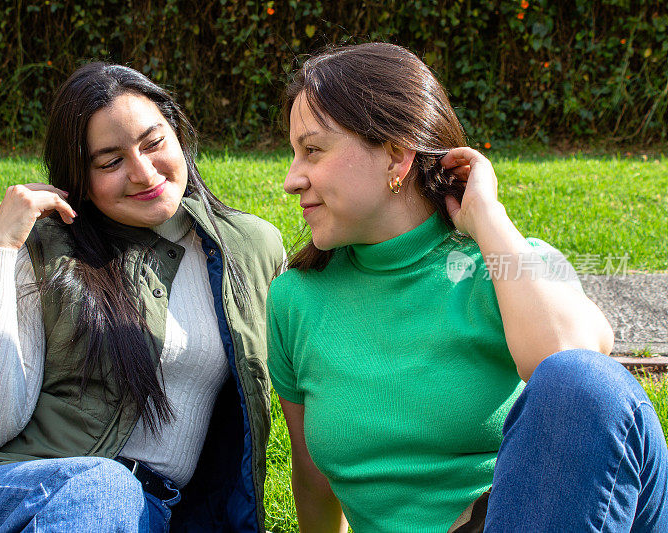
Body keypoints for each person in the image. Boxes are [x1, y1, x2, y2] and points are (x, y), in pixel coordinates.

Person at [267, 43, 668, 532]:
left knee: (584, 381)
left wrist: (488, 220)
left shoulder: (506, 266)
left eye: (312, 151)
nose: (291, 179)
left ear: (396, 156)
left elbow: (578, 376)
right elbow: (312, 479)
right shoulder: (296, 300)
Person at [0, 62, 284, 532]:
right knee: (102, 487)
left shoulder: (251, 248)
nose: (142, 172)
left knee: (110, 493)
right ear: (81, 179)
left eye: (153, 143)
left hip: (143, 512)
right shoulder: (53, 251)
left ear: (178, 134)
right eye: (110, 162)